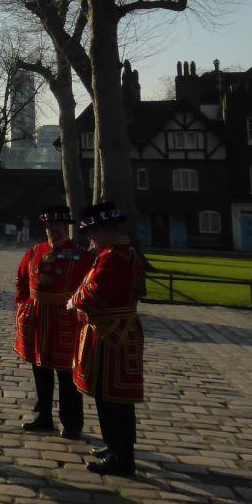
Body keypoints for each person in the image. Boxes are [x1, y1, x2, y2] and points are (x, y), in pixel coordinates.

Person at [68, 201, 145, 476]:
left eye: (92, 233)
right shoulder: (117, 252)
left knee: (113, 397)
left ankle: (122, 457)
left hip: (113, 334)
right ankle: (114, 446)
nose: (89, 239)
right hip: (115, 331)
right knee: (107, 394)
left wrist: (74, 300)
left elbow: (97, 292)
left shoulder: (115, 256)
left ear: (105, 231)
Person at [14, 205, 93, 439]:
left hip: (65, 320)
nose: (54, 230)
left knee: (67, 374)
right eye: (50, 226)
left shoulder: (82, 256)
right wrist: (22, 306)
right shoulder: (34, 252)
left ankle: (72, 422)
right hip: (38, 319)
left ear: (66, 227)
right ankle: (44, 416)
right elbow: (21, 280)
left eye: (59, 226)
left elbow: (88, 288)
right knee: (40, 370)